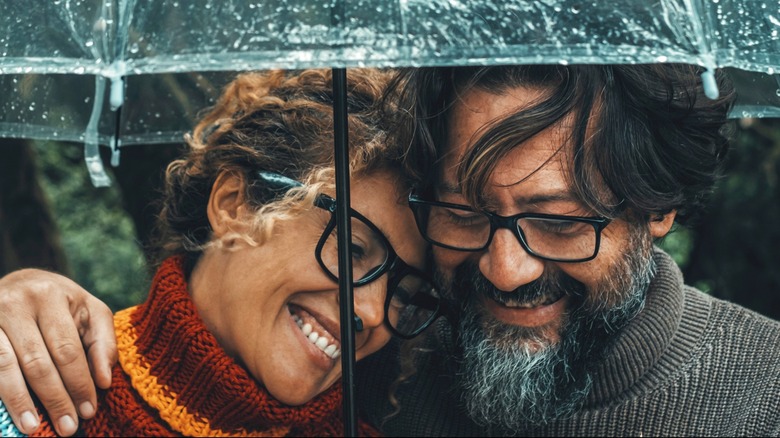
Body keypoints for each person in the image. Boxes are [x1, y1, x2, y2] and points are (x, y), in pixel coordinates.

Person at [3, 64, 780, 436]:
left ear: (658, 209)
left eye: (561, 221)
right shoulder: (409, 373)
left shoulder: (763, 396)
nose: (504, 270)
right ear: (235, 199)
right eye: (466, 213)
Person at [0, 68, 442, 436]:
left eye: (402, 293)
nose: (373, 312)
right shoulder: (32, 390)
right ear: (233, 204)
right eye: (350, 247)